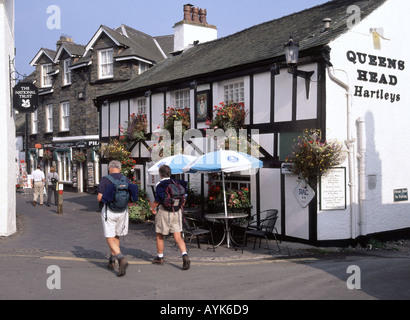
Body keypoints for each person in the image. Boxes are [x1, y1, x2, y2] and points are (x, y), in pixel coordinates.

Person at [97, 160, 139, 277]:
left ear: (110, 168)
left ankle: (120, 257)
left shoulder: (106, 179)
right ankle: (112, 259)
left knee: (109, 236)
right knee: (116, 234)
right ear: (119, 169)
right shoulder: (126, 180)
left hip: (109, 211)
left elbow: (100, 198)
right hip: (123, 211)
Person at [150, 164, 190, 270]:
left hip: (164, 212)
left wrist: (152, 208)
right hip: (177, 212)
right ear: (170, 173)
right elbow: (184, 199)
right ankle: (185, 255)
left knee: (160, 235)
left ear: (160, 174)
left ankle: (160, 257)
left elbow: (158, 200)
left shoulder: (160, 185)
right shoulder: (177, 183)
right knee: (177, 236)